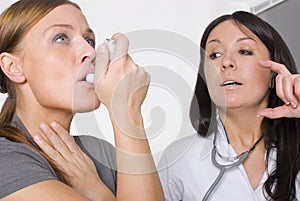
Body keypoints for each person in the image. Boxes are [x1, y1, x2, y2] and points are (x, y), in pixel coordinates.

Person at [0, 0, 164, 200]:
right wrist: (126, 112)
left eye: (89, 40)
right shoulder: (5, 158)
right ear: (13, 67)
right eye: (61, 38)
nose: (90, 52)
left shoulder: (101, 154)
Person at [158, 11, 300, 201]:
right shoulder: (177, 159)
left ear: (274, 74)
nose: (226, 62)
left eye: (244, 51)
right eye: (215, 55)